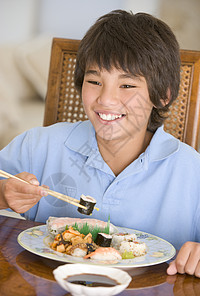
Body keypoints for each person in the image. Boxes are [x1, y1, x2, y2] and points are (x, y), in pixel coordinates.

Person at [0, 10, 200, 277]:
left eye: (127, 85)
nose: (106, 99)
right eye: (94, 81)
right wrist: (3, 194)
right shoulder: (37, 146)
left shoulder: (192, 172)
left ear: (162, 96)